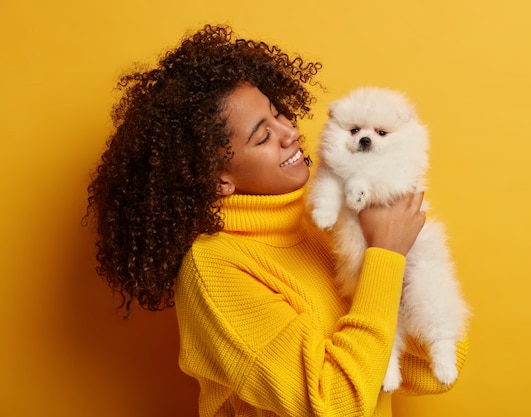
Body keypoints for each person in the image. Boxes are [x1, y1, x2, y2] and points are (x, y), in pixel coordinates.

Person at [87, 24, 468, 417]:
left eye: (278, 113)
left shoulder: (325, 216)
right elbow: (335, 405)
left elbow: (427, 372)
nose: (290, 132)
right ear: (217, 179)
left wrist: (409, 269)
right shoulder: (215, 270)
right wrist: (385, 255)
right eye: (262, 137)